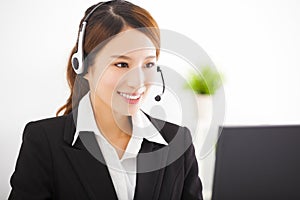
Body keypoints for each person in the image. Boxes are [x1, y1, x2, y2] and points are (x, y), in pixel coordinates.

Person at [9, 1, 203, 199]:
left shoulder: (178, 141)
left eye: (149, 64)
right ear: (84, 66)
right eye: (121, 64)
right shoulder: (43, 142)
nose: (138, 81)